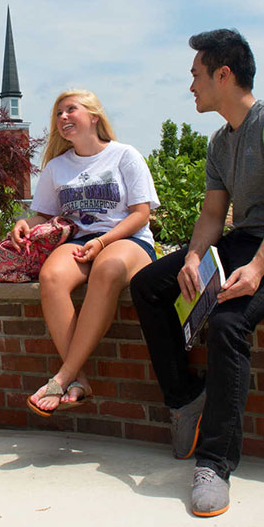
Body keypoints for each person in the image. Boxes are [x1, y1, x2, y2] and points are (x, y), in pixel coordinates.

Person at [130, 29, 264, 517]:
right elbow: (213, 216)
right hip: (242, 241)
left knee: (227, 322)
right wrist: (194, 257)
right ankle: (185, 399)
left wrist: (258, 269)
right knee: (148, 284)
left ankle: (214, 464)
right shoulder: (220, 141)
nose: (191, 86)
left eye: (196, 76)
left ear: (224, 74)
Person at [13, 89, 160, 417]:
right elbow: (44, 215)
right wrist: (25, 225)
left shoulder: (125, 155)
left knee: (107, 270)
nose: (62, 117)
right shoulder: (56, 167)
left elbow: (140, 213)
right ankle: (79, 380)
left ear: (94, 116)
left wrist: (105, 242)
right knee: (50, 276)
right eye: (58, 113)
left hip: (128, 239)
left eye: (70, 110)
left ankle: (62, 376)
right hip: (79, 242)